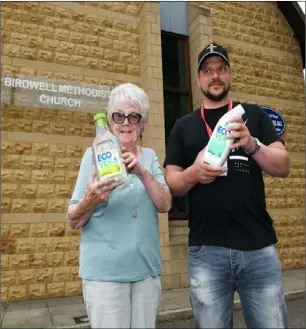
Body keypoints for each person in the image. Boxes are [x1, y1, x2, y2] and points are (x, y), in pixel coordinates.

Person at [164, 43, 290, 328]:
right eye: (207, 71)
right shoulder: (184, 126)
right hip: (206, 252)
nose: (215, 76)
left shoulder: (254, 115)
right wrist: (194, 173)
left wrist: (252, 144)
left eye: (221, 69)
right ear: (198, 79)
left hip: (258, 248)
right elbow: (171, 182)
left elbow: (283, 166)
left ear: (230, 74)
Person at [67, 82, 172, 329]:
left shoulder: (149, 157)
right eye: (119, 116)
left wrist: (142, 173)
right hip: (105, 275)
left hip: (146, 271)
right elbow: (73, 219)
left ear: (143, 123)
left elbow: (165, 204)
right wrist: (91, 199)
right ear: (111, 123)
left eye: (134, 116)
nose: (126, 122)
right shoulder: (92, 155)